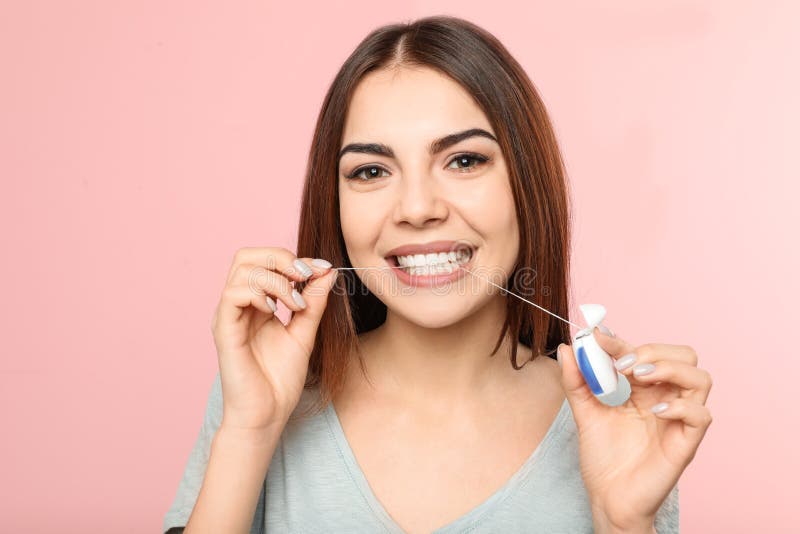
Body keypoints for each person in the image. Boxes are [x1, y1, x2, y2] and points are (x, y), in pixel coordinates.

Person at [163, 15, 712, 534]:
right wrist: (250, 432)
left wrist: (623, 524)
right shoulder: (262, 397)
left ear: (527, 183)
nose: (418, 207)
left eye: (465, 161)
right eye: (371, 171)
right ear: (334, 205)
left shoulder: (616, 424)